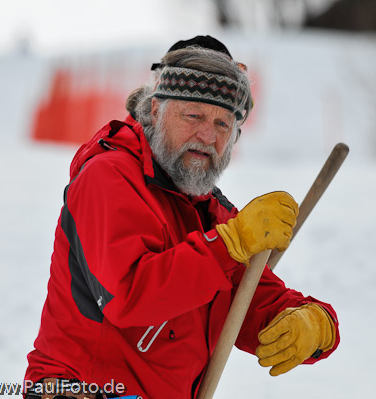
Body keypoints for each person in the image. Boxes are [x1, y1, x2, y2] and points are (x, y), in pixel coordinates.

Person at [24, 35, 340, 399]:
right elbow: (129, 293)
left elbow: (252, 301)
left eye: (224, 124)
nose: (207, 136)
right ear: (155, 110)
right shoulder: (108, 177)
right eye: (194, 115)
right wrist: (229, 244)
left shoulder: (212, 215)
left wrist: (314, 323)